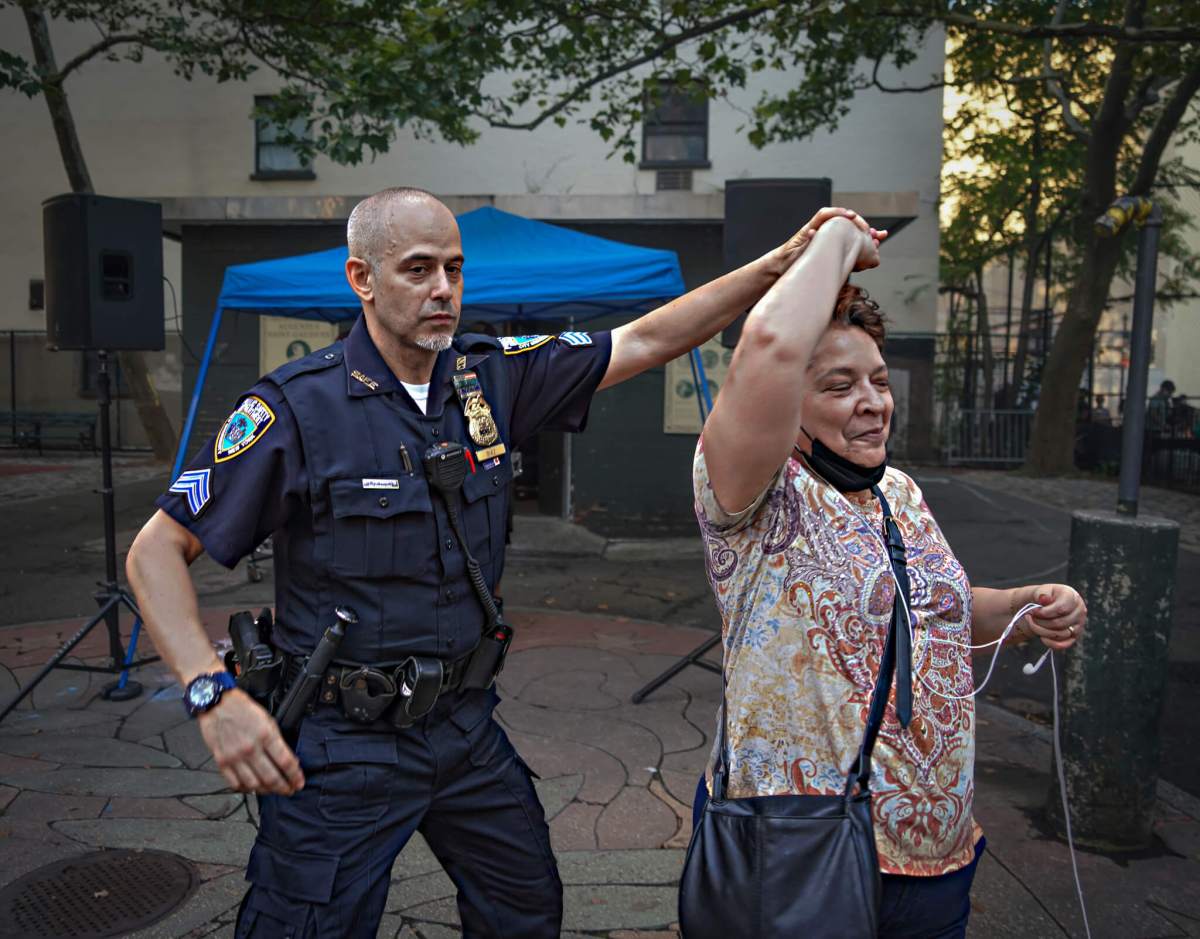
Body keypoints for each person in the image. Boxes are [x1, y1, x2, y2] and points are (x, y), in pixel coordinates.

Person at [125, 187, 884, 939]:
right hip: (341, 746)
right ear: (362, 279)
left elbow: (648, 340)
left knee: (525, 906)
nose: (443, 289)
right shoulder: (295, 407)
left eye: (454, 269)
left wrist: (784, 261)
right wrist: (210, 694)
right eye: (418, 269)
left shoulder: (489, 376)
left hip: (462, 728)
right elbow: (156, 550)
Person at [690, 216, 1087, 938]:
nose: (873, 401)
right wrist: (839, 239)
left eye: (879, 380)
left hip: (937, 853)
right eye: (840, 386)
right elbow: (770, 347)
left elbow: (934, 614)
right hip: (805, 846)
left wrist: (1021, 608)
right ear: (788, 405)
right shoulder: (755, 491)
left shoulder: (897, 490)